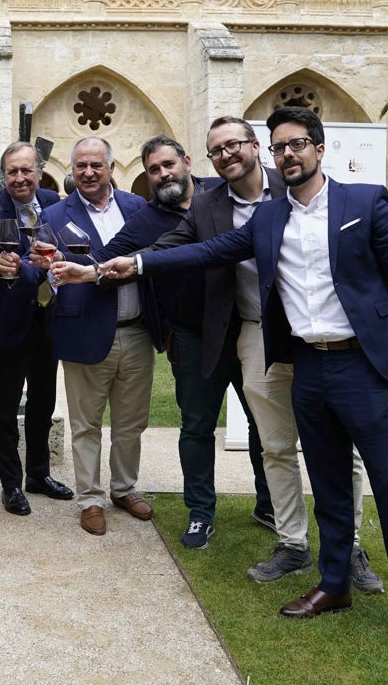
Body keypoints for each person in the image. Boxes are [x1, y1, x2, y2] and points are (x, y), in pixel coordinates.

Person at [91, 107, 388, 659]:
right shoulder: (270, 218)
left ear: (319, 149)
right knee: (323, 481)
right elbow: (206, 251)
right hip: (305, 364)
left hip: (363, 367)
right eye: (281, 148)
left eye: (297, 145)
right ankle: (334, 584)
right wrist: (132, 265)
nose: (288, 155)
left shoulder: (364, 201)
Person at [145, 118, 382, 589]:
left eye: (234, 144)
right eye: (217, 149)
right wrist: (116, 265)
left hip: (321, 336)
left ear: (257, 147)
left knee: (343, 447)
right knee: (274, 444)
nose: (226, 154)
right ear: (208, 160)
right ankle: (292, 543)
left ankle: (350, 546)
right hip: (256, 335)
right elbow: (174, 250)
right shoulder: (209, 205)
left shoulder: (298, 186)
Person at [68, 134, 273, 550]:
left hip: (247, 329)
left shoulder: (221, 192)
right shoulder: (147, 217)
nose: (163, 174)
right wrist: (81, 270)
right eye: (153, 170)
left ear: (187, 161)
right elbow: (111, 255)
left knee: (263, 425)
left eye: (168, 165)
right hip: (193, 335)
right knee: (197, 426)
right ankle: (201, 513)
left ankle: (269, 504)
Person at [40, 137, 153, 536]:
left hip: (136, 331)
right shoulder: (53, 215)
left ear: (110, 167)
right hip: (84, 329)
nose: (88, 173)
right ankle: (90, 498)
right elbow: (44, 270)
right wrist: (48, 272)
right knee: (85, 423)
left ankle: (124, 488)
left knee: (131, 421)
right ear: (72, 170)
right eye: (81, 166)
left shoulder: (137, 207)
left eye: (96, 165)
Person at [0, 142, 74, 516]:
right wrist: (0, 266)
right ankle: (10, 485)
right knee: (5, 407)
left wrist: (56, 260)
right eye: (12, 172)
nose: (19, 178)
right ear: (4, 175)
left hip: (49, 318)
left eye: (25, 170)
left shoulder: (52, 200)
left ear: (39, 170)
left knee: (43, 402)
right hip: (11, 321)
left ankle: (38, 474)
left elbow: (63, 249)